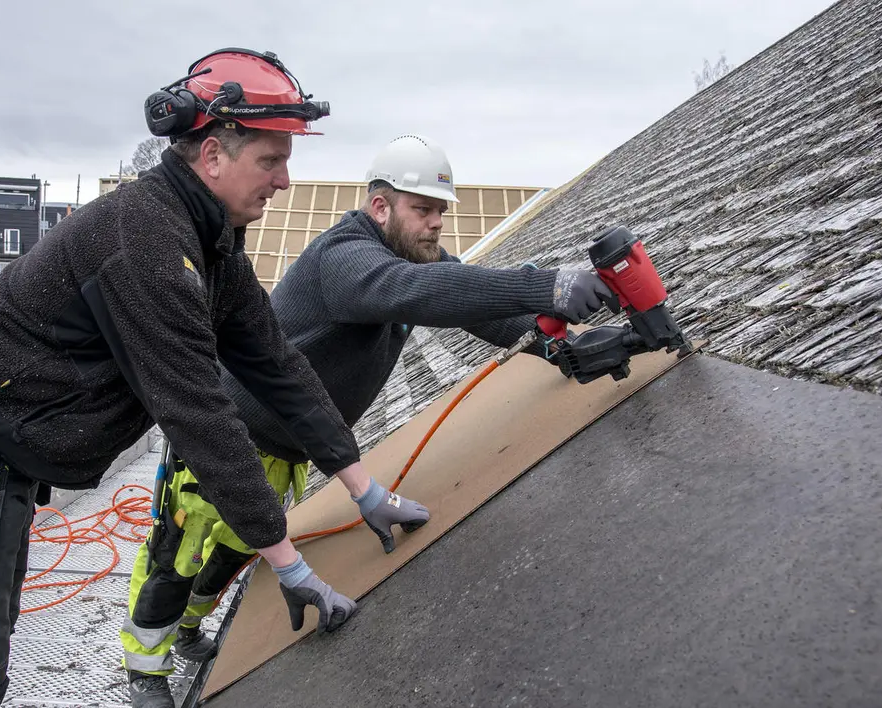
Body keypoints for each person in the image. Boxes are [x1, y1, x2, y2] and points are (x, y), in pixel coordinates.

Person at [0, 48, 423, 708]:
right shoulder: (145, 243)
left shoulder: (206, 238)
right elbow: (199, 414)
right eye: (271, 159)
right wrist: (289, 564)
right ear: (212, 156)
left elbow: (278, 365)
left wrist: (363, 488)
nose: (285, 180)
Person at [119, 132, 620, 702]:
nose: (436, 224)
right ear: (380, 207)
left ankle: (188, 630)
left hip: (289, 451)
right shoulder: (345, 260)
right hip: (226, 436)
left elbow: (471, 304)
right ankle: (145, 671)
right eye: (422, 210)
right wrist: (544, 285)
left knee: (235, 552)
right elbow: (416, 290)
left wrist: (557, 348)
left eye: (440, 212)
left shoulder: (409, 257)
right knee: (177, 557)